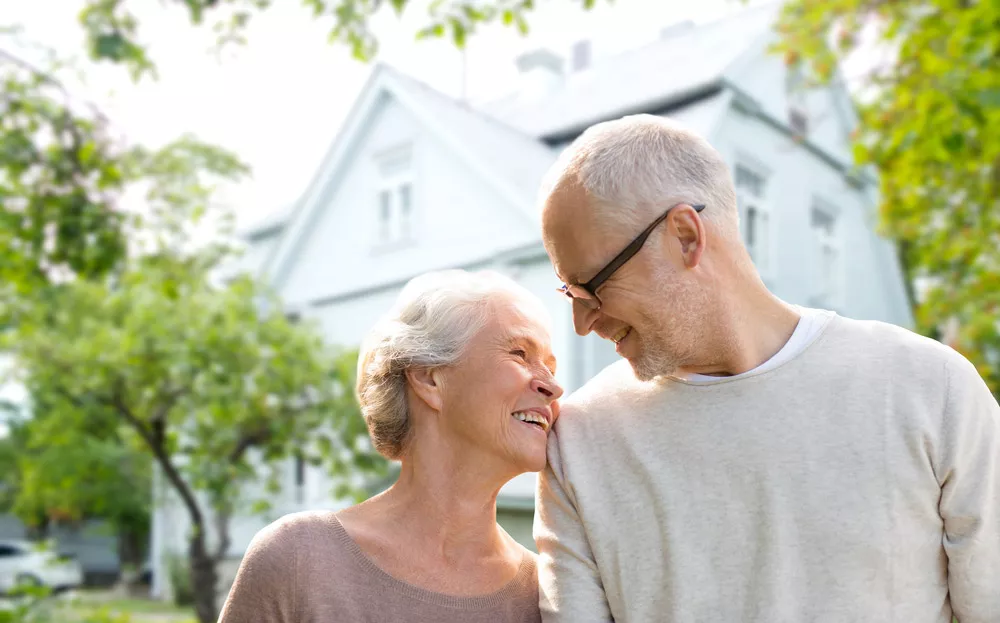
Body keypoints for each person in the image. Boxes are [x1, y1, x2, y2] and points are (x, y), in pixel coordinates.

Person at [533, 114, 1000, 622]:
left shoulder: (931, 389)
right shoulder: (578, 442)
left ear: (686, 237)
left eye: (592, 287)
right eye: (569, 294)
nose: (581, 322)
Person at [218, 269, 563, 623]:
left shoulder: (546, 597)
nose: (554, 387)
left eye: (552, 367)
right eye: (520, 354)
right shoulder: (298, 559)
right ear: (429, 378)